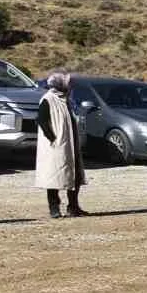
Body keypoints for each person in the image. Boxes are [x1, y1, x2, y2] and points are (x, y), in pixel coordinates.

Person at [35, 71, 86, 219]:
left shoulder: (66, 100)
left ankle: (73, 207)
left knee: (74, 177)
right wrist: (52, 138)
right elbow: (42, 121)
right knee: (54, 177)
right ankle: (54, 208)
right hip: (56, 146)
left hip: (70, 143)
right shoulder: (48, 99)